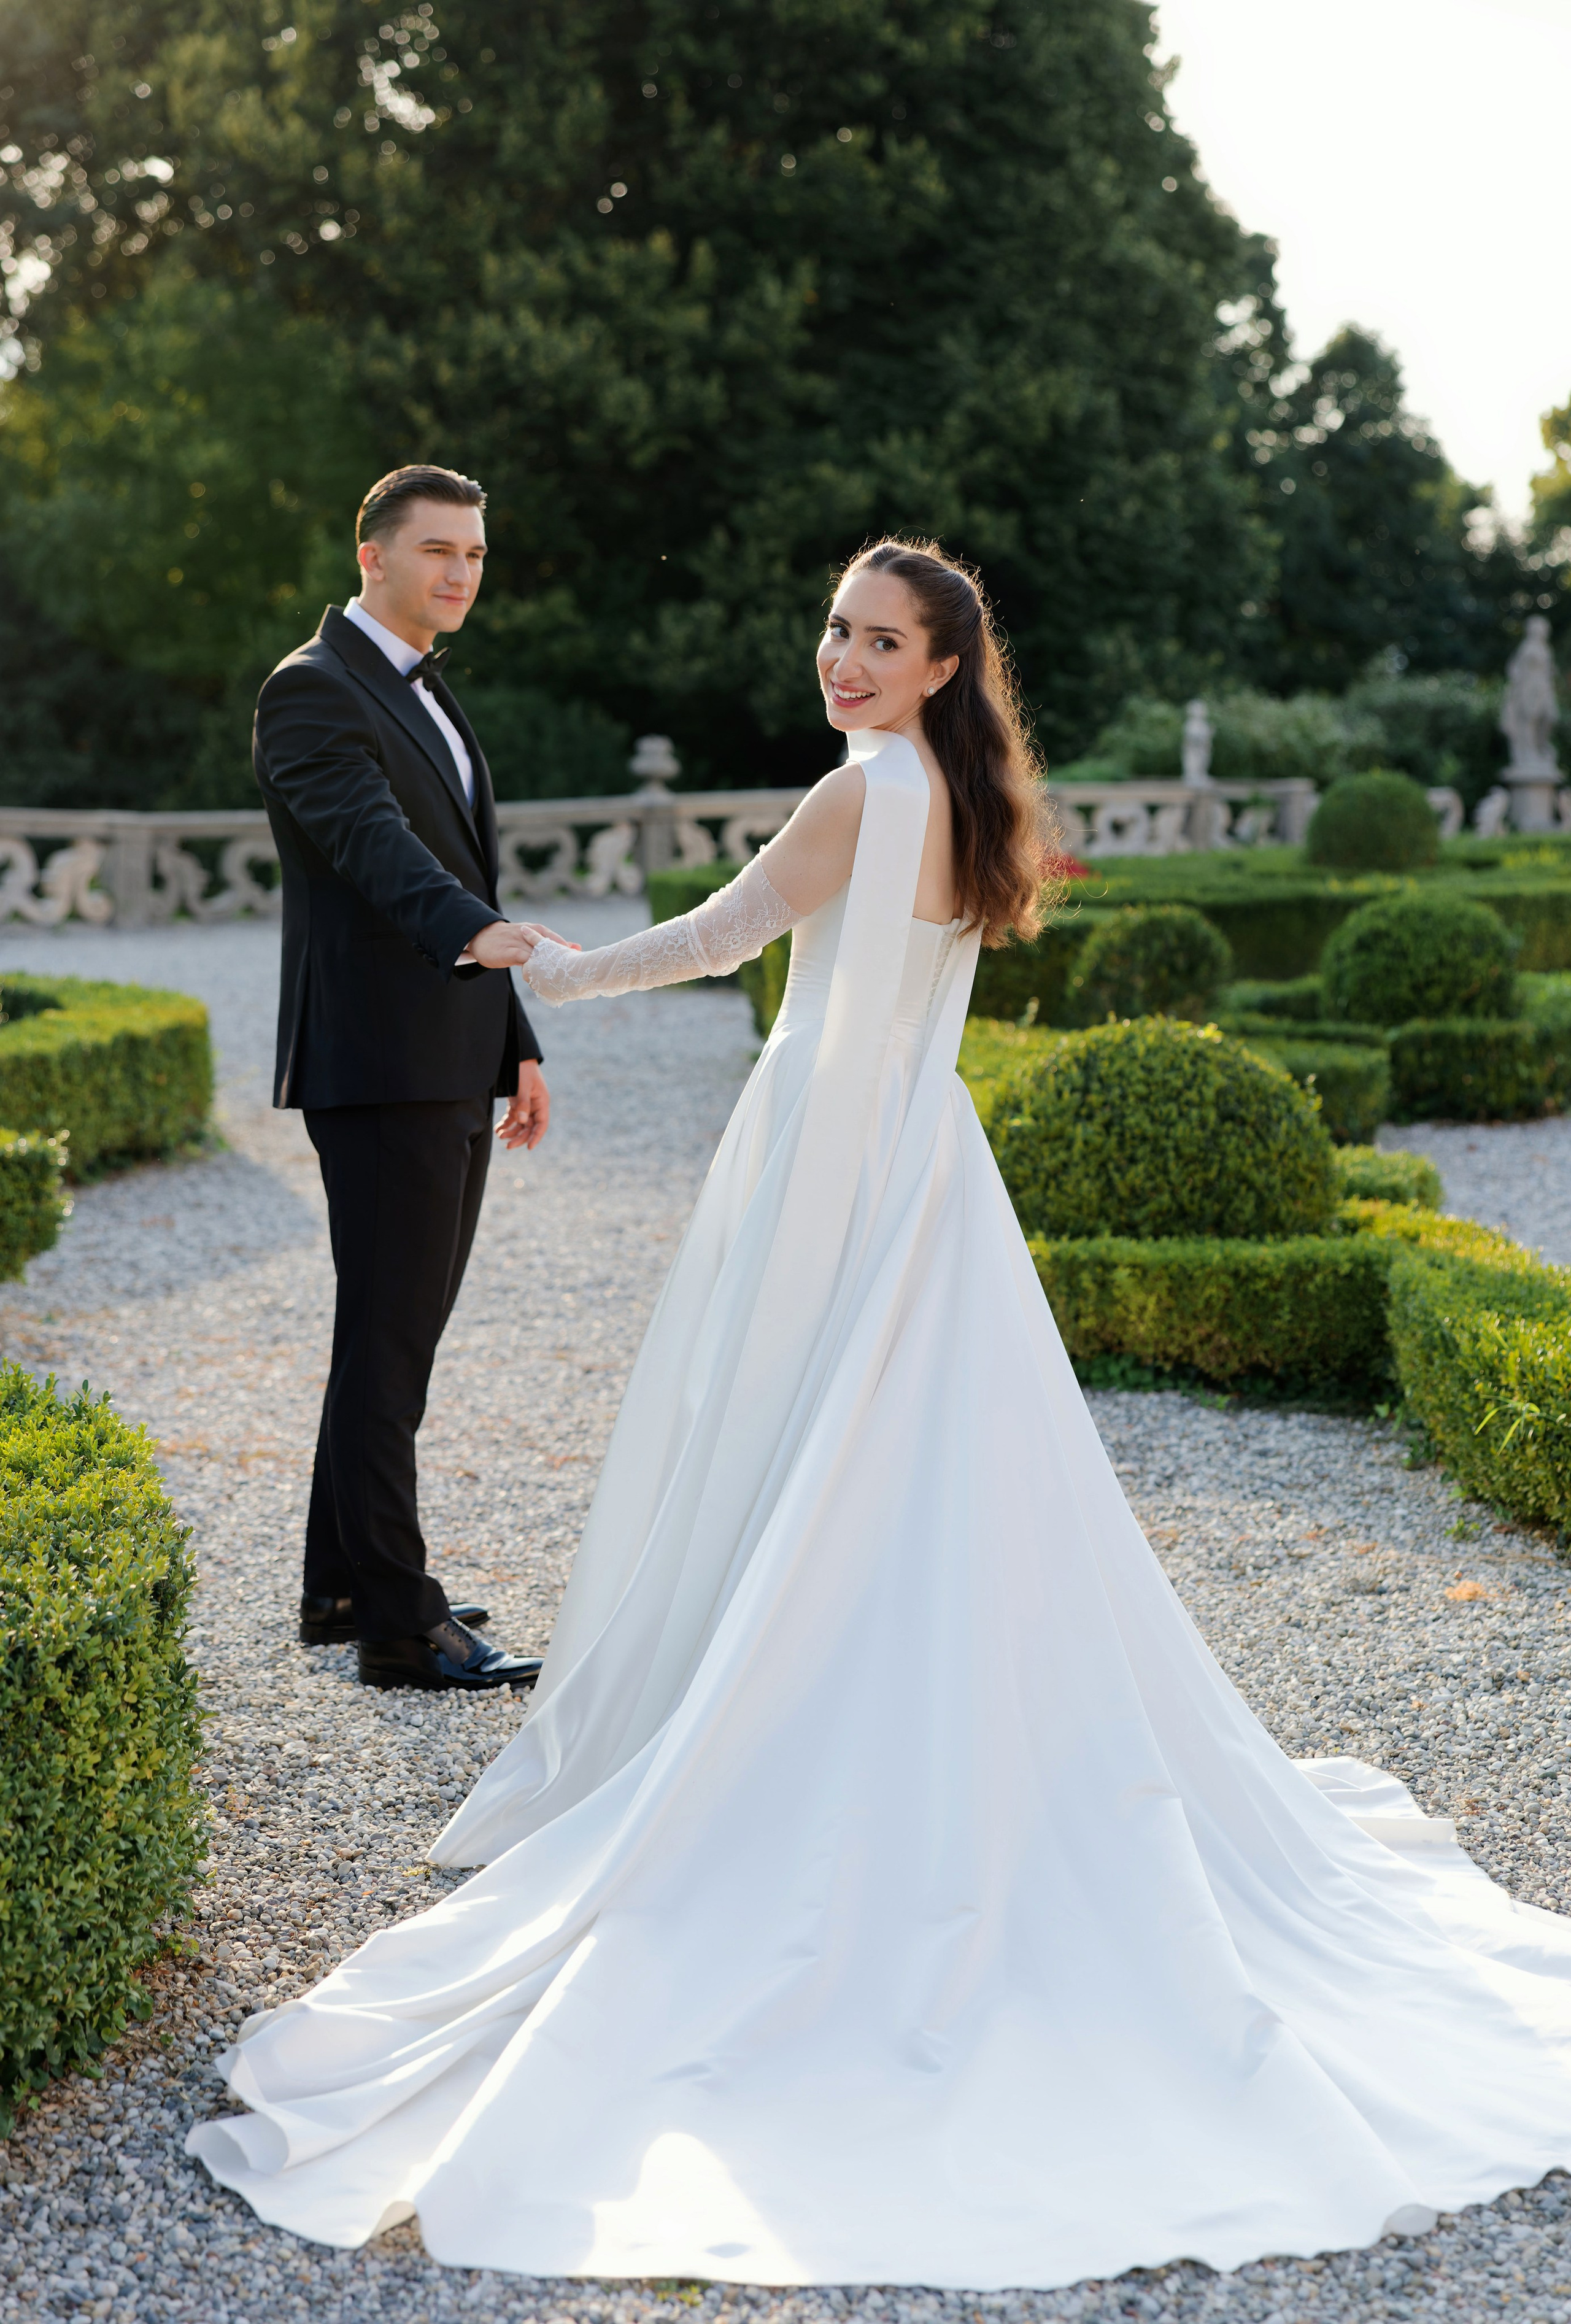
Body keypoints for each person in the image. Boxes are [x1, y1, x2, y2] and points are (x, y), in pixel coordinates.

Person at [195, 539, 1571, 2288]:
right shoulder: (963, 793)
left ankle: (794, 1744)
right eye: (839, 629)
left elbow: (722, 941)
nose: (843, 658)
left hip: (844, 1170)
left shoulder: (868, 790)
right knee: (936, 1491)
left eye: (881, 640)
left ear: (938, 665)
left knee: (813, 1466)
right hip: (932, 1174)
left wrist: (545, 963)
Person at [255, 463, 550, 1693]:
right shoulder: (311, 691)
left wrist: (514, 1035)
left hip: (447, 1055)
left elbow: (454, 871)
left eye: (474, 555)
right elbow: (374, 846)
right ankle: (396, 1621)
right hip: (377, 1064)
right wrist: (472, 935)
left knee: (395, 1332)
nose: (459, 574)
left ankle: (343, 1584)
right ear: (369, 554)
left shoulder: (425, 689)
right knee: (388, 1343)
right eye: (438, 551)